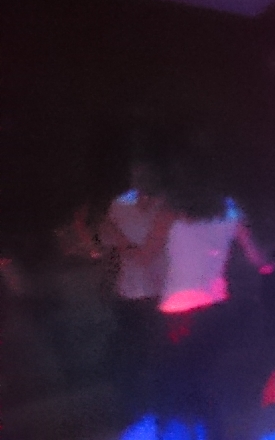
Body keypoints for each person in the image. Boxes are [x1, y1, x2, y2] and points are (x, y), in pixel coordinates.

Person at [153, 182, 271, 439]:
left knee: (179, 373)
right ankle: (212, 430)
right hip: (214, 306)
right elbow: (257, 257)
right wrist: (268, 265)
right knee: (206, 374)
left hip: (177, 309)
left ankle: (178, 426)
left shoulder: (170, 217)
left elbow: (149, 254)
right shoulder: (230, 216)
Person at [99, 164, 174, 423]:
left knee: (159, 357)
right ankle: (134, 412)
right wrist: (110, 236)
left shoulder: (167, 206)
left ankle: (161, 410)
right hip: (128, 292)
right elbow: (106, 239)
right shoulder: (119, 205)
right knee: (131, 357)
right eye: (137, 177)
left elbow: (145, 255)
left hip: (159, 292)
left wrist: (120, 240)